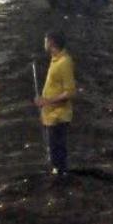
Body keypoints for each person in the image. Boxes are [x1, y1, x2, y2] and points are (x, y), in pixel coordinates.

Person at [34, 30, 76, 176]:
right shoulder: (55, 59)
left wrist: (47, 101)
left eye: (45, 41)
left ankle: (61, 176)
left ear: (51, 43)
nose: (44, 44)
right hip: (51, 115)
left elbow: (69, 91)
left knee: (57, 152)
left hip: (58, 116)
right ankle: (59, 175)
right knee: (54, 151)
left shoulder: (64, 62)